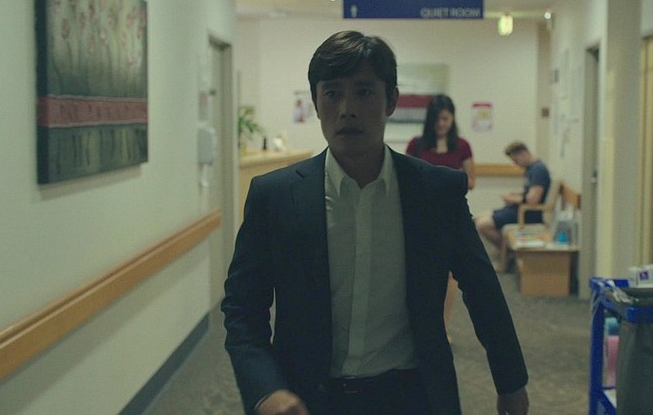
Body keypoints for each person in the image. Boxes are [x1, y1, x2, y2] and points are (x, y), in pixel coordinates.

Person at [221, 30, 529, 415]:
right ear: (315, 102)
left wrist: (511, 381)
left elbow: (483, 291)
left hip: (413, 396)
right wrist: (265, 391)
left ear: (391, 100)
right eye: (332, 93)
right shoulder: (276, 197)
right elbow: (242, 309)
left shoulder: (435, 193)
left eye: (364, 91)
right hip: (309, 399)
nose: (347, 108)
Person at [406, 94, 474, 344]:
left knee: (448, 274)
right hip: (420, 215)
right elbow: (407, 177)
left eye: (445, 118)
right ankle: (418, 324)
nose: (441, 124)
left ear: (452, 118)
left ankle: (443, 327)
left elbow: (471, 181)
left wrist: (445, 182)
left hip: (450, 215)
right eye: (436, 119)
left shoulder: (462, 145)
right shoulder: (417, 144)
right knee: (420, 271)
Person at [475, 141, 552, 255]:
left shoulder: (538, 170)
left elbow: (533, 200)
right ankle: (505, 251)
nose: (516, 164)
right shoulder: (530, 169)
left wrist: (511, 199)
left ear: (523, 154)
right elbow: (529, 192)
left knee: (482, 225)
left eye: (516, 160)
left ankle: (509, 253)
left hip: (528, 214)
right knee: (477, 218)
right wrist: (514, 194)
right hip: (518, 209)